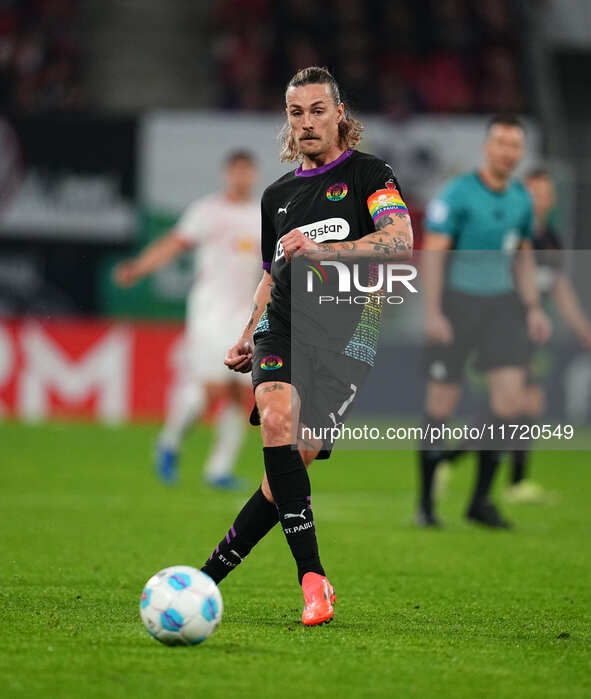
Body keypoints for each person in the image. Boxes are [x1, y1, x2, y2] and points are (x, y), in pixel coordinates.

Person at [199, 66, 413, 626]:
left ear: (340, 113)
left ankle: (207, 578)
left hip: (352, 333)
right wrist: (248, 333)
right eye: (296, 113)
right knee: (276, 419)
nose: (307, 122)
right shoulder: (277, 196)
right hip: (285, 323)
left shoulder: (370, 173)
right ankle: (312, 580)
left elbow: (400, 239)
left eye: (318, 110)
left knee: (293, 463)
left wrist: (330, 250)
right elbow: (271, 275)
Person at [417, 114, 552, 529]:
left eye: (515, 145)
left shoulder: (521, 199)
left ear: (520, 152)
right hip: (457, 304)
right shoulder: (457, 194)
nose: (507, 152)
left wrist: (532, 306)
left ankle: (480, 501)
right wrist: (433, 310)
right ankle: (426, 505)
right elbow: (435, 254)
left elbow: (523, 255)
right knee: (441, 404)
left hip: (502, 306)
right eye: (501, 143)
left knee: (509, 403)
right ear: (487, 147)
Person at [114, 151, 261, 489]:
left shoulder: (261, 216)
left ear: (253, 175)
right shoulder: (207, 211)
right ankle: (169, 441)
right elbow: (173, 245)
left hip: (245, 315)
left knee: (241, 393)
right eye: (236, 171)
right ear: (227, 174)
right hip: (209, 311)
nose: (242, 178)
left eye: (247, 172)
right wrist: (138, 268)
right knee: (212, 389)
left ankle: (218, 470)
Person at [504, 168, 591, 503]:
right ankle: (452, 463)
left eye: (546, 193)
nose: (541, 199)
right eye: (534, 193)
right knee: (512, 407)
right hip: (506, 327)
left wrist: (581, 326)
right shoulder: (511, 234)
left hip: (532, 332)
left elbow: (558, 287)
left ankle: (516, 482)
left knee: (525, 407)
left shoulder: (551, 238)